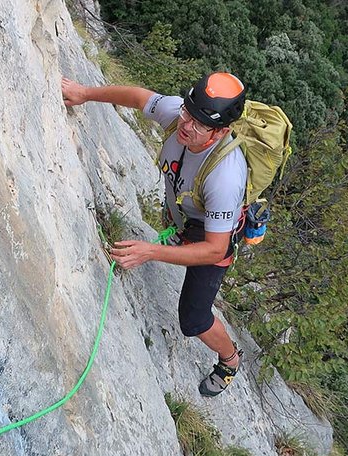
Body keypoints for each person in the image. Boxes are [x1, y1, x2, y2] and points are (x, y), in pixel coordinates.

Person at [61, 72, 248, 397]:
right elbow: (138, 97)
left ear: (221, 132)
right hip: (185, 219)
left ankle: (230, 359)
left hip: (210, 240)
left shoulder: (226, 176)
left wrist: (150, 251)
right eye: (187, 113)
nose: (186, 126)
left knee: (193, 319)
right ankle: (177, 235)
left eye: (200, 124)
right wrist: (85, 93)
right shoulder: (182, 117)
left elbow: (214, 250)